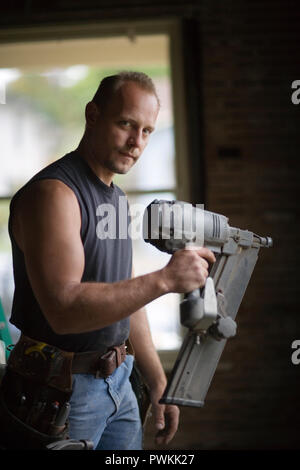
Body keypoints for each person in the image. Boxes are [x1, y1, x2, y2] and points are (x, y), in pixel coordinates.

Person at [7, 71, 216, 450]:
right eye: (126, 124)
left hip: (120, 381)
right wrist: (166, 280)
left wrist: (156, 380)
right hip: (63, 391)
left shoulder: (116, 199)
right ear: (92, 115)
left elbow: (123, 296)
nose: (137, 142)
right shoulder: (54, 195)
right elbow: (64, 310)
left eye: (148, 131)